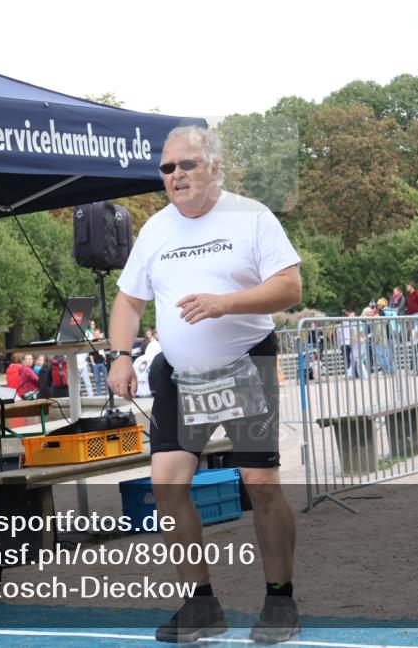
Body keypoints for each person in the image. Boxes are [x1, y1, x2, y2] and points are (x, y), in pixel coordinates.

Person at [107, 125, 302, 644]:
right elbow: (128, 300)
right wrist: (121, 357)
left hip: (244, 363)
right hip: (178, 373)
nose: (176, 176)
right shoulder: (155, 230)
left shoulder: (251, 215)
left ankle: (280, 600)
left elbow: (289, 286)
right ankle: (201, 605)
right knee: (167, 486)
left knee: (260, 485)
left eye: (187, 165)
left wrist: (225, 303)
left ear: (215, 167)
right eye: (167, 169)